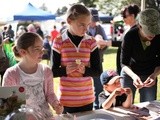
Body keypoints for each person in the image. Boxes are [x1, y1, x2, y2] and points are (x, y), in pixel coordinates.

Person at [51, 4, 101, 113]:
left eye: (87, 25)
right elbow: (52, 72)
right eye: (82, 25)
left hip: (87, 100)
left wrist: (85, 71)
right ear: (69, 21)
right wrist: (65, 70)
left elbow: (98, 71)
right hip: (66, 101)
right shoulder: (59, 41)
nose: (86, 29)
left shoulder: (91, 42)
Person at [2, 32, 63, 119]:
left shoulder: (46, 71)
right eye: (37, 49)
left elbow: (50, 94)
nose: (42, 52)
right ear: (23, 52)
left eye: (42, 48)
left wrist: (55, 103)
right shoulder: (11, 74)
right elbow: (6, 106)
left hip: (46, 117)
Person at [120, 8, 160, 103]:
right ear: (140, 26)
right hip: (130, 73)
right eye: (149, 30)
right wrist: (134, 76)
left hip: (150, 73)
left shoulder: (159, 37)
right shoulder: (130, 36)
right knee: (126, 105)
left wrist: (154, 75)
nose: (153, 34)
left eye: (155, 30)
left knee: (149, 106)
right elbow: (124, 63)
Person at [102, 4, 140, 75]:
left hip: (130, 69)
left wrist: (105, 42)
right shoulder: (128, 29)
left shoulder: (136, 30)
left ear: (132, 16)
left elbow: (123, 43)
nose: (123, 18)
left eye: (124, 16)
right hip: (124, 67)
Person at [87, 8, 108, 109]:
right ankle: (88, 106)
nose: (94, 22)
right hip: (86, 62)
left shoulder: (100, 28)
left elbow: (106, 43)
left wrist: (102, 46)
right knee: (86, 86)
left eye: (95, 20)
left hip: (98, 61)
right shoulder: (83, 29)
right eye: (92, 20)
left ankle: (98, 106)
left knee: (99, 85)